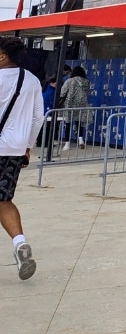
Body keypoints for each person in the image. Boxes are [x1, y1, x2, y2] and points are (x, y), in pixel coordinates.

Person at [0, 37, 44, 281]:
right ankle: (19, 243)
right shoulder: (32, 80)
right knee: (3, 199)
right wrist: (28, 146)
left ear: (3, 56)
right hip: (15, 150)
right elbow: (38, 118)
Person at [58, 65, 91, 151]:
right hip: (82, 104)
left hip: (70, 104)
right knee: (79, 122)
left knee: (68, 123)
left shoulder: (69, 81)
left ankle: (67, 144)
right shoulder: (86, 82)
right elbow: (88, 93)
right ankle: (80, 140)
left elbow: (62, 92)